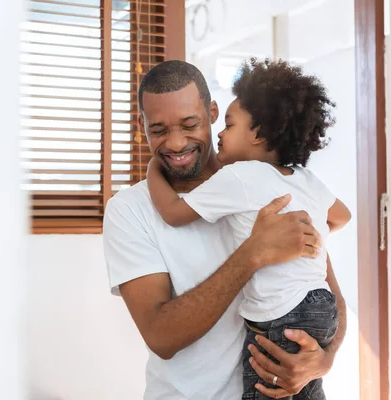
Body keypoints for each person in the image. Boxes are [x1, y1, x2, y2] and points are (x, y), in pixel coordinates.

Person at [103, 60, 347, 400]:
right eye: (158, 130)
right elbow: (162, 337)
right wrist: (254, 253)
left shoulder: (271, 189)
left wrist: (322, 361)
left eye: (190, 124)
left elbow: (330, 297)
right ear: (141, 124)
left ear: (213, 112)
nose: (175, 143)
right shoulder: (129, 210)